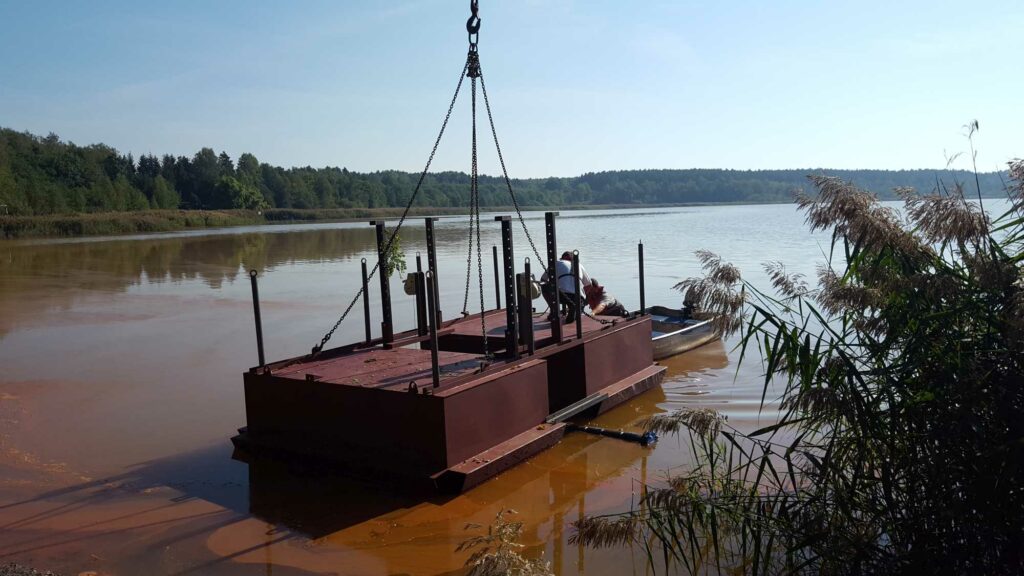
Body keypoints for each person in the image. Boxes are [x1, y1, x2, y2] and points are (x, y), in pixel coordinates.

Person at [540, 251, 590, 323]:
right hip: (577, 296)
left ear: (562, 258)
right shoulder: (579, 265)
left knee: (544, 286)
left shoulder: (556, 263)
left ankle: (553, 310)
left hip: (560, 295)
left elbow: (543, 280)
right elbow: (588, 285)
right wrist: (584, 299)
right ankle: (573, 310)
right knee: (574, 311)